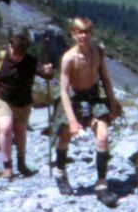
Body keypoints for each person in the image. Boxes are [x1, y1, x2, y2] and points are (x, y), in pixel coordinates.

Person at [52, 17, 121, 206]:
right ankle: (60, 171)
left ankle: (101, 183)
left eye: (87, 32)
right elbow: (64, 92)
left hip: (94, 99)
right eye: (79, 32)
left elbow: (105, 78)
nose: (83, 36)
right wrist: (73, 121)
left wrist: (112, 103)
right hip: (74, 99)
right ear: (73, 34)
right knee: (65, 135)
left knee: (103, 136)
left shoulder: (97, 52)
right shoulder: (69, 58)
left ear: (91, 33)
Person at [0, 33, 53, 179]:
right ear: (9, 46)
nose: (16, 57)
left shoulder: (31, 61)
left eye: (20, 54)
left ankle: (21, 163)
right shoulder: (0, 58)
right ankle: (7, 167)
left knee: (20, 132)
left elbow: (46, 75)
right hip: (3, 99)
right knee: (5, 128)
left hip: (24, 103)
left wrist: (49, 71)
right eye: (14, 52)